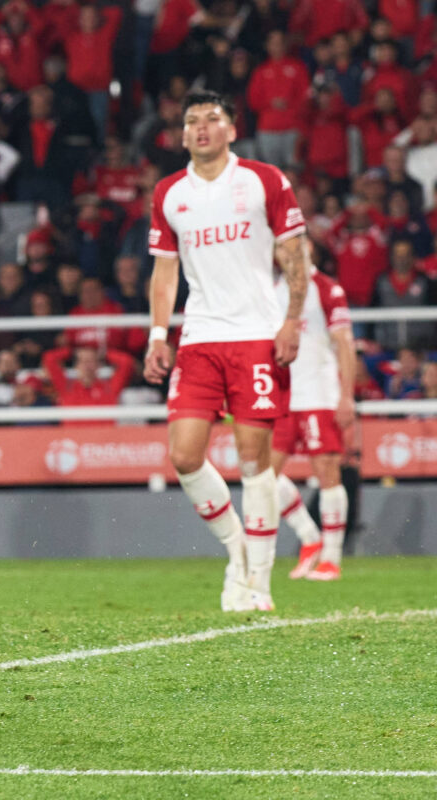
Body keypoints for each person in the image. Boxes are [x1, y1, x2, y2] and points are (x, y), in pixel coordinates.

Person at [144, 90, 308, 613]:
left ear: (232, 129)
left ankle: (258, 583)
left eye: (212, 118)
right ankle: (237, 551)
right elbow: (165, 270)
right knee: (186, 455)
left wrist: (291, 321)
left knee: (254, 460)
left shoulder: (263, 180)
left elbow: (294, 255)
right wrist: (156, 334)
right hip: (199, 338)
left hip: (257, 335)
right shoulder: (169, 192)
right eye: (191, 120)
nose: (201, 127)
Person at [271, 243, 355, 582]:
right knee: (263, 475)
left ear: (309, 252)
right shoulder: (273, 290)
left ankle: (332, 559)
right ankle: (309, 537)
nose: (288, 254)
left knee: (327, 473)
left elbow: (345, 343)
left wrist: (346, 396)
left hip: (319, 395)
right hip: (283, 396)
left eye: (295, 248)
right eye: (282, 249)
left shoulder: (327, 289)